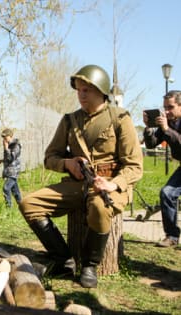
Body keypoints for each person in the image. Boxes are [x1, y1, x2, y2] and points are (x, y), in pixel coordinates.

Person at [19, 65, 143, 288]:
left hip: (110, 186)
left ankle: (89, 265)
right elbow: (50, 157)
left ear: (101, 90)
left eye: (87, 90)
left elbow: (134, 166)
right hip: (78, 183)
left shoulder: (120, 118)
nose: (81, 95)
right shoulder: (70, 120)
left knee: (98, 206)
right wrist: (67, 163)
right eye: (78, 90)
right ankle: (63, 259)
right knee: (29, 204)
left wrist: (113, 185)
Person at [143, 90, 181, 247]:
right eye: (165, 107)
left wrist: (167, 130)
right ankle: (172, 236)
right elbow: (151, 144)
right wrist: (147, 129)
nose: (166, 111)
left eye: (170, 107)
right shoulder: (167, 123)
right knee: (167, 193)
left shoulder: (167, 126)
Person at [0, 128, 22, 208]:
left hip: (13, 171)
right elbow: (8, 158)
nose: (4, 139)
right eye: (3, 137)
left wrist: (6, 148)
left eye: (5, 137)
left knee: (6, 188)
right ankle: (22, 205)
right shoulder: (9, 145)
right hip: (9, 171)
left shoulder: (16, 145)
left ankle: (8, 208)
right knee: (15, 191)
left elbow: (11, 158)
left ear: (10, 136)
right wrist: (2, 160)